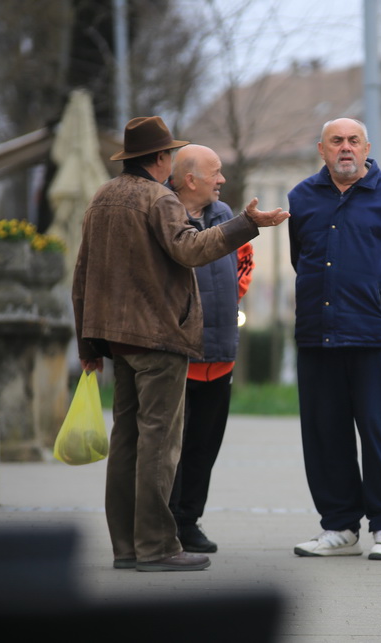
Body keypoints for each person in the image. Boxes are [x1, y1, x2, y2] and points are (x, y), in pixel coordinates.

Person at [72, 116, 288, 572]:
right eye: (168, 154)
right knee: (159, 443)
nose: (170, 162)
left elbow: (83, 275)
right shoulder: (159, 198)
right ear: (159, 159)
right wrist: (247, 223)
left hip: (116, 340)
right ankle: (157, 547)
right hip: (159, 338)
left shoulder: (102, 198)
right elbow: (190, 249)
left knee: (126, 441)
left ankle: (126, 547)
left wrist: (88, 344)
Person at [287, 118, 381, 561]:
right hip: (317, 336)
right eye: (336, 141)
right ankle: (339, 527)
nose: (345, 148)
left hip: (375, 336)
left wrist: (379, 303)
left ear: (366, 148)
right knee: (325, 435)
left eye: (353, 141)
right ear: (321, 149)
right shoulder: (302, 198)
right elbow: (298, 258)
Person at [166, 144, 254, 554]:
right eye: (215, 172)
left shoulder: (226, 216)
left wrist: (227, 301)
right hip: (177, 357)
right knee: (171, 450)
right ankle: (164, 523)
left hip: (220, 355)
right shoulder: (163, 215)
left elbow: (245, 264)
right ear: (190, 179)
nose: (222, 180)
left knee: (204, 446)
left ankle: (189, 521)